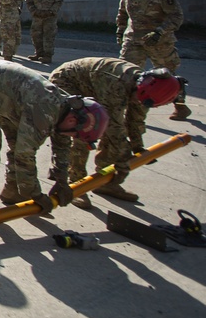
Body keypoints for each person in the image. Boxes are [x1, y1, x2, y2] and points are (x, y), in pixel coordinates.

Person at [0, 60, 108, 214]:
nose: (73, 137)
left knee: (15, 140)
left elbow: (62, 145)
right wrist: (35, 194)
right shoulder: (45, 110)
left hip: (4, 93)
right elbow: (24, 155)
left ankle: (12, 191)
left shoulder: (66, 110)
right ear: (72, 121)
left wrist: (62, 180)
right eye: (76, 135)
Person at [50, 57, 183, 208]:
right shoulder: (117, 84)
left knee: (113, 139)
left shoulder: (146, 91)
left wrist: (138, 147)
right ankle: (76, 184)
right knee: (84, 132)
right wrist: (125, 154)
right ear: (139, 88)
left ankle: (105, 182)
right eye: (137, 99)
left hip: (96, 87)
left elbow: (135, 121)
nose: (137, 102)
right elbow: (113, 125)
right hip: (68, 82)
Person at [116, 0, 190, 120]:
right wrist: (120, 32)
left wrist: (159, 32)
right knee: (127, 73)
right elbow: (122, 14)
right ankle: (127, 109)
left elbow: (177, 16)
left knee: (167, 77)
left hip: (159, 42)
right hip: (134, 40)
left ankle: (180, 106)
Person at [25, 0, 63, 64]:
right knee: (36, 36)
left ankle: (47, 56)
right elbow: (29, 2)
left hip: (50, 18)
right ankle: (39, 53)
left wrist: (51, 11)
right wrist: (35, 12)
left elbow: (59, 2)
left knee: (48, 37)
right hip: (37, 18)